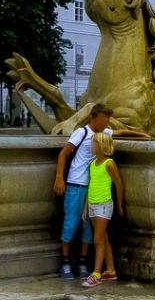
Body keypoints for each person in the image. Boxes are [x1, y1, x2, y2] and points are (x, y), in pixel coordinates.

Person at [53, 104, 114, 279]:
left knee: (88, 226)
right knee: (71, 222)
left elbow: (121, 132)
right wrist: (59, 177)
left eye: (107, 120)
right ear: (93, 118)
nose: (106, 123)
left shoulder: (105, 133)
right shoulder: (82, 132)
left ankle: (82, 262)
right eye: (103, 120)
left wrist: (140, 133)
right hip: (76, 183)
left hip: (92, 186)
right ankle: (65, 262)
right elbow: (63, 154)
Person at [82, 132, 124, 288]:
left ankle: (96, 274)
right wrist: (87, 206)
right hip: (93, 204)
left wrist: (119, 205)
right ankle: (110, 270)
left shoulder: (109, 163)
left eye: (94, 144)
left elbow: (119, 184)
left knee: (98, 240)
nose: (91, 146)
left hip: (104, 205)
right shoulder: (93, 164)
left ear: (101, 146)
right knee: (103, 238)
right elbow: (91, 185)